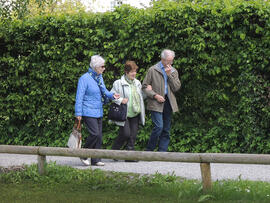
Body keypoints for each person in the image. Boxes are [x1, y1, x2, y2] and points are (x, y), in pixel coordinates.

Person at [75, 55, 120, 166]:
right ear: (95, 67)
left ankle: (96, 159)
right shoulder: (84, 78)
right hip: (87, 111)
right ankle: (84, 154)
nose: (104, 68)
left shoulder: (99, 77)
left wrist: (113, 95)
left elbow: (104, 91)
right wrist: (78, 113)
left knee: (99, 136)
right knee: (94, 133)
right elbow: (79, 97)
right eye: (102, 66)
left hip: (98, 111)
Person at [142, 49, 181, 152]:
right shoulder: (153, 70)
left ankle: (162, 152)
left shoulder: (173, 71)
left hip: (169, 102)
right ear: (162, 59)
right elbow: (144, 87)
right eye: (168, 61)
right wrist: (155, 95)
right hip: (156, 102)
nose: (170, 63)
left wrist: (169, 75)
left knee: (166, 129)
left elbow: (176, 88)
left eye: (171, 61)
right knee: (159, 127)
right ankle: (149, 151)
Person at [110, 61, 145, 161]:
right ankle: (114, 152)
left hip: (135, 113)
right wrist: (121, 100)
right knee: (125, 134)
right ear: (126, 72)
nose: (134, 74)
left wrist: (148, 91)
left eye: (135, 71)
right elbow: (112, 96)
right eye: (132, 72)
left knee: (133, 136)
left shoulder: (137, 83)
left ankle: (129, 157)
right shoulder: (118, 83)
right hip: (124, 113)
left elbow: (141, 96)